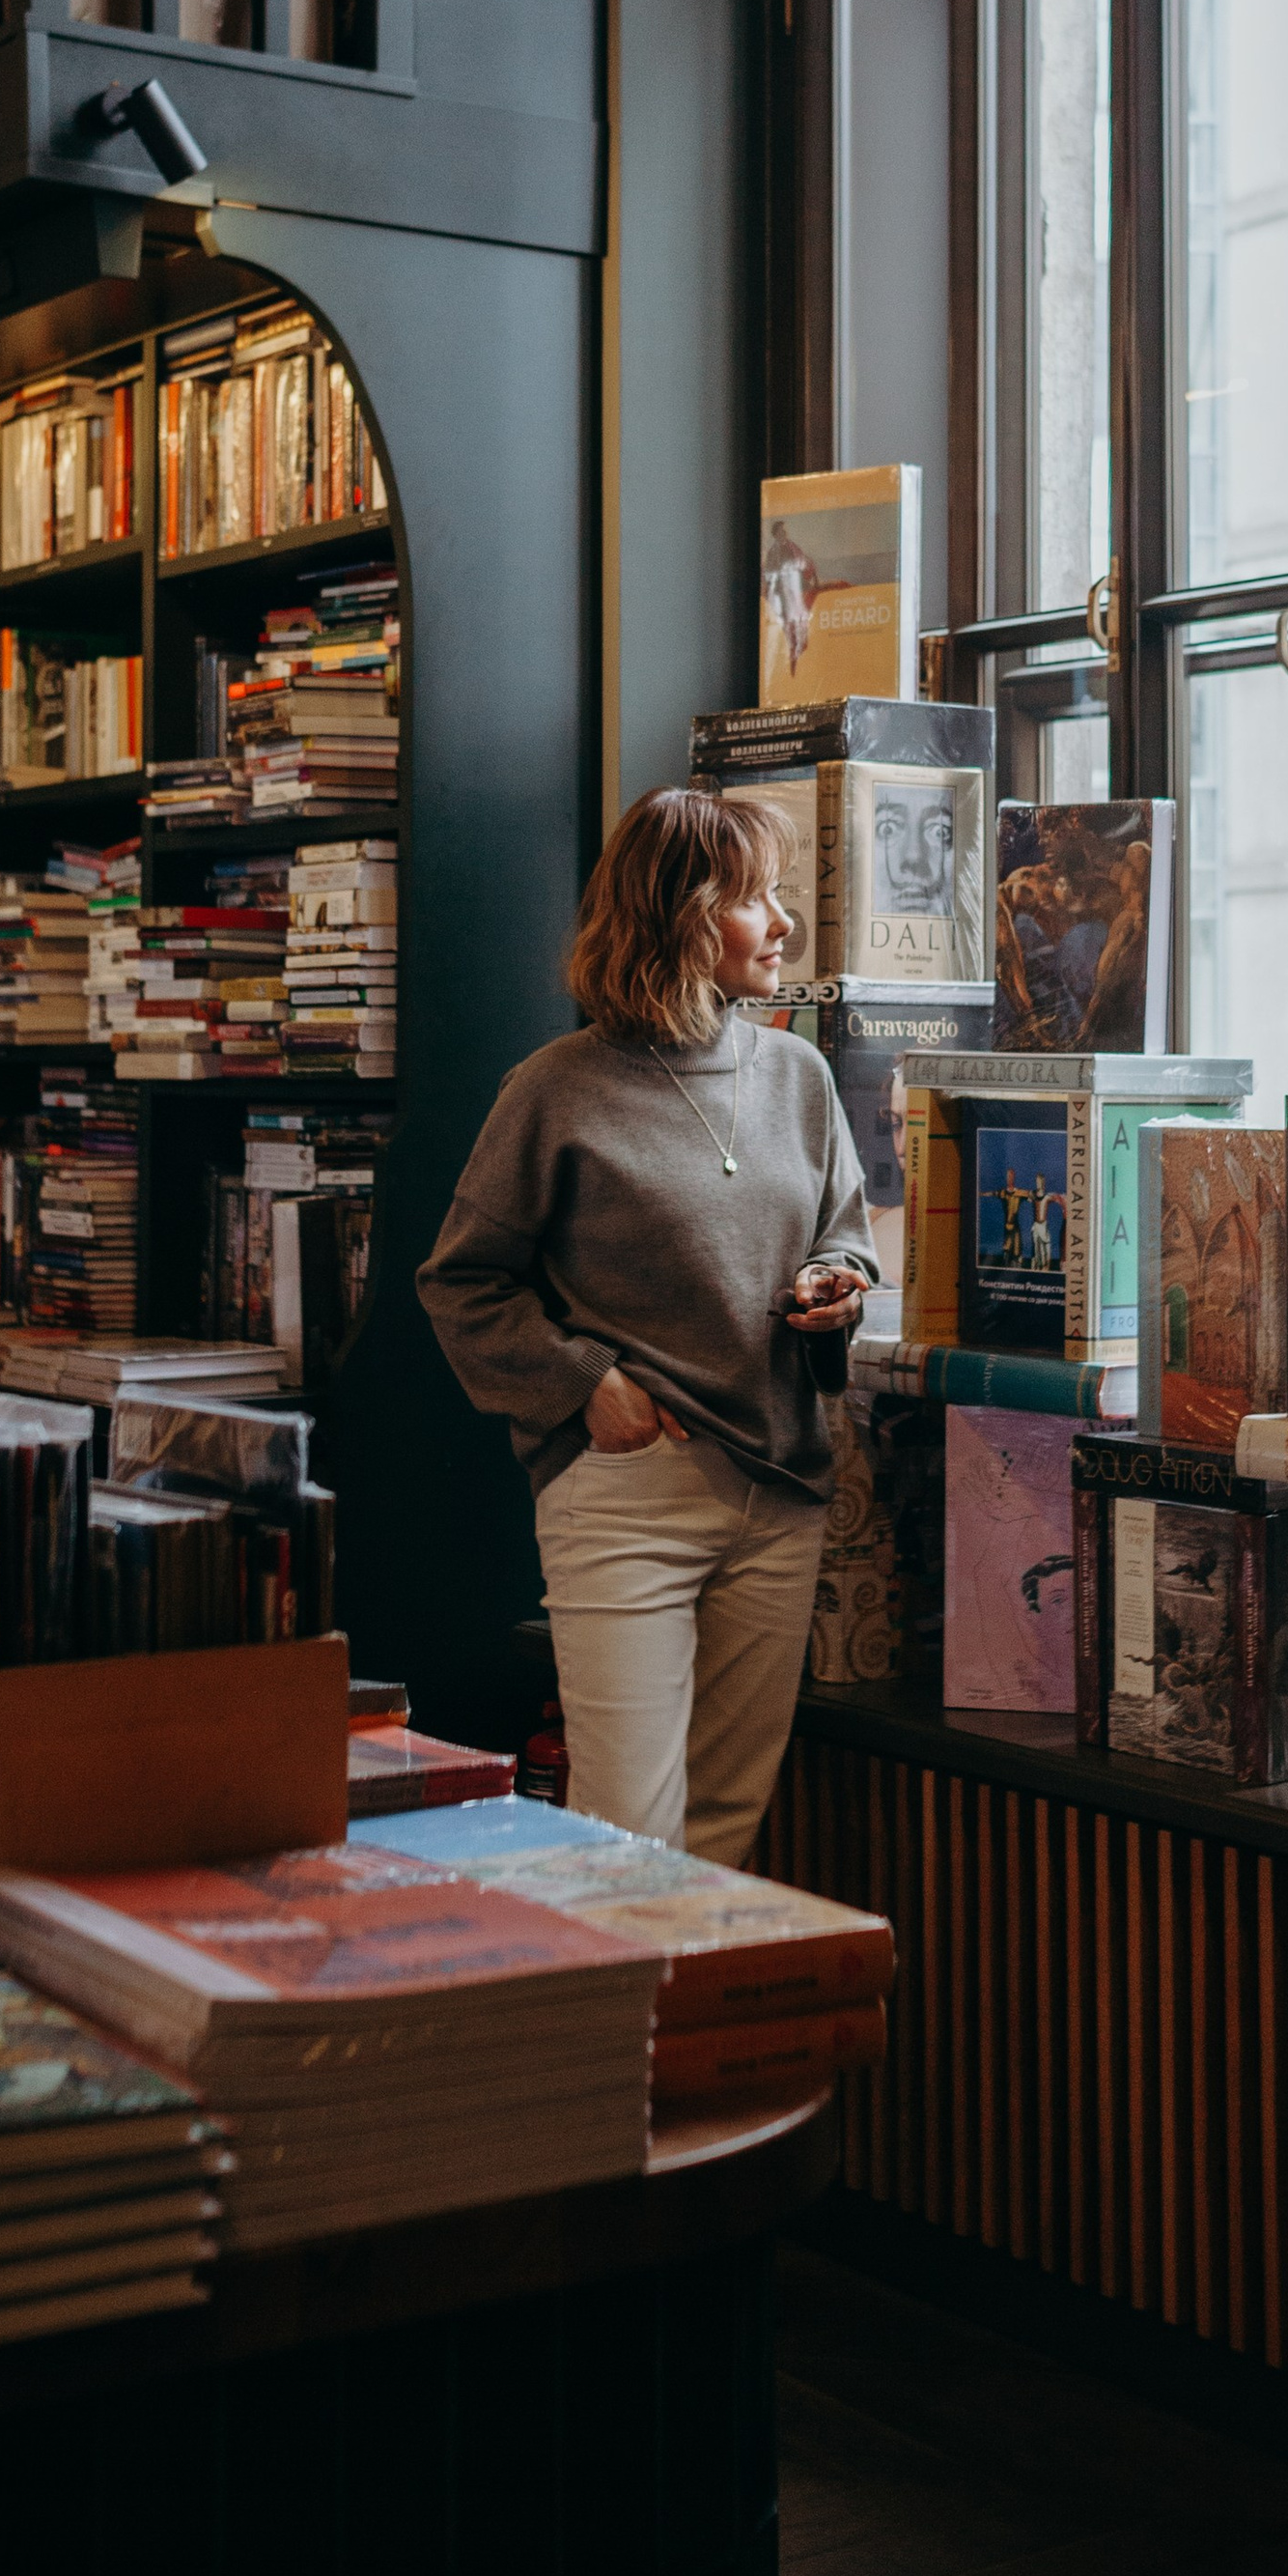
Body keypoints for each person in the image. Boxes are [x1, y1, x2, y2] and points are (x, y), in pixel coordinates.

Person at [417, 787, 878, 1864]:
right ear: (680, 914)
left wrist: (832, 1280)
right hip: (628, 1494)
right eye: (755, 899)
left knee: (722, 1830)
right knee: (625, 1834)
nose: (782, 925)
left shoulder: (799, 1076)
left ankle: (685, 2036)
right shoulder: (554, 1090)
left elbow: (847, 1239)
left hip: (784, 1489)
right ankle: (609, 2035)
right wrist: (584, 1385)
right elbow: (461, 1283)